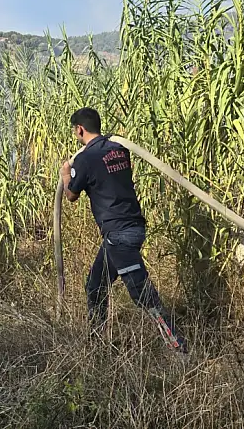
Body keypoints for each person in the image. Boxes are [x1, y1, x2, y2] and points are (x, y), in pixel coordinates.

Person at [59, 107, 187, 354]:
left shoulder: (85, 159)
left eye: (75, 131)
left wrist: (66, 175)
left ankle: (179, 349)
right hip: (130, 230)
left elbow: (72, 194)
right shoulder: (119, 149)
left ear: (79, 130)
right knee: (96, 286)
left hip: (119, 237)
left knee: (143, 296)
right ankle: (97, 346)